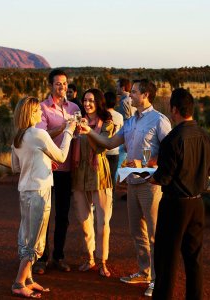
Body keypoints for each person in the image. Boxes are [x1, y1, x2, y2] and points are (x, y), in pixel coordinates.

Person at [80, 79, 171, 297]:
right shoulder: (130, 122)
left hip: (151, 185)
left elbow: (170, 150)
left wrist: (147, 163)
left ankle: (157, 281)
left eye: (135, 92)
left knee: (154, 234)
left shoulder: (159, 120)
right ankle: (144, 271)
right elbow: (110, 144)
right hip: (132, 183)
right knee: (136, 231)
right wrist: (86, 131)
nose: (130, 96)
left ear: (146, 95)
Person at [149, 88, 210, 300]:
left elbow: (164, 177)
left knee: (166, 260)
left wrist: (148, 176)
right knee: (194, 259)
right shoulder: (205, 136)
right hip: (197, 204)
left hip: (174, 205)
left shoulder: (172, 140)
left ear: (174, 109)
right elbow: (208, 169)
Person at [11, 96, 76, 298]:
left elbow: (16, 167)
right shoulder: (38, 133)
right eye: (37, 111)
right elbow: (62, 156)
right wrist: (68, 132)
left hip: (25, 191)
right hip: (39, 191)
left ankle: (28, 278)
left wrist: (43, 162)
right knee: (36, 241)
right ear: (30, 113)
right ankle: (19, 282)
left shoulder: (18, 137)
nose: (41, 113)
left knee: (26, 235)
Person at [33, 69, 80, 274]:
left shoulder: (75, 107)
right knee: (44, 215)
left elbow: (79, 134)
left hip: (67, 169)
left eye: (64, 83)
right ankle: (41, 258)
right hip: (47, 168)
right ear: (50, 86)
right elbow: (41, 135)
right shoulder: (42, 108)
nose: (62, 87)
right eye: (58, 84)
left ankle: (59, 256)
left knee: (62, 215)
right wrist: (64, 127)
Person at [72, 89, 114, 277]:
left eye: (91, 100)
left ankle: (102, 260)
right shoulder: (77, 121)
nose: (87, 103)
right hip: (79, 173)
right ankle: (90, 257)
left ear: (98, 102)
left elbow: (103, 144)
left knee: (103, 221)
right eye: (85, 100)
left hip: (99, 173)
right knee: (84, 219)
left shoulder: (107, 123)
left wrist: (87, 131)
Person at [104, 91, 123, 201]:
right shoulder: (119, 116)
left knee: (102, 177)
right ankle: (110, 199)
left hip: (103, 150)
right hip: (115, 150)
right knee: (112, 176)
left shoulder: (102, 115)